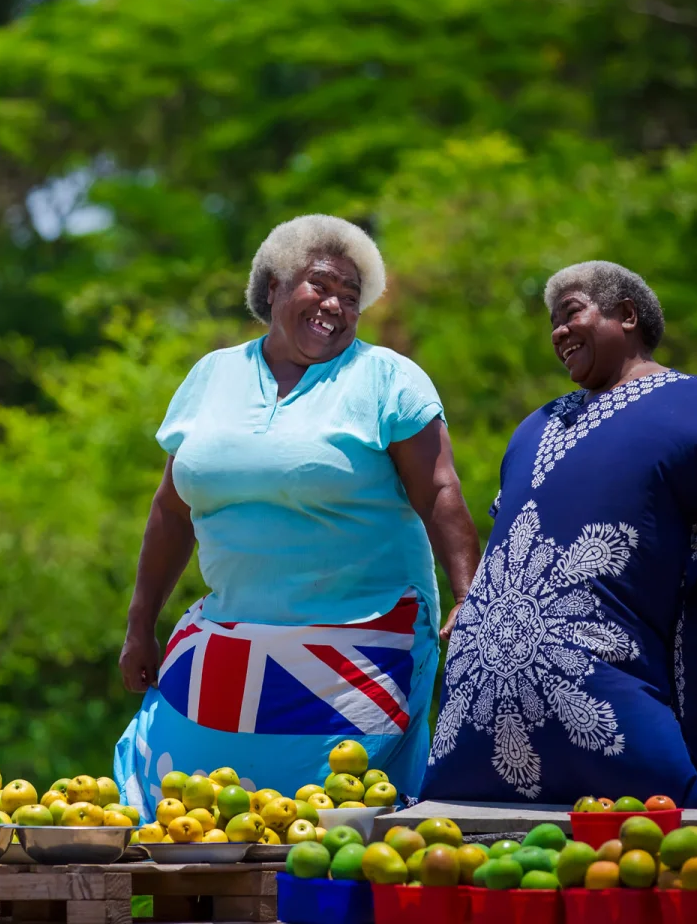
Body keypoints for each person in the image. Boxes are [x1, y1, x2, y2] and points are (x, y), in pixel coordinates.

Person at [111, 214, 481, 819]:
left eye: (350, 296)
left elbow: (439, 490)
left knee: (321, 819)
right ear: (274, 286)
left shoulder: (386, 377)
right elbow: (171, 510)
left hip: (359, 639)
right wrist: (140, 623)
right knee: (171, 796)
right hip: (234, 632)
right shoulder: (214, 375)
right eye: (320, 285)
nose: (334, 304)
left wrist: (471, 596)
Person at [421, 261, 697, 808]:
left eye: (571, 312)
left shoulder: (692, 402)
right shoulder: (536, 425)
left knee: (665, 806)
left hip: (610, 669)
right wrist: (475, 602)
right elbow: (517, 538)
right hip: (488, 680)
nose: (557, 332)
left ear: (626, 315)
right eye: (552, 322)